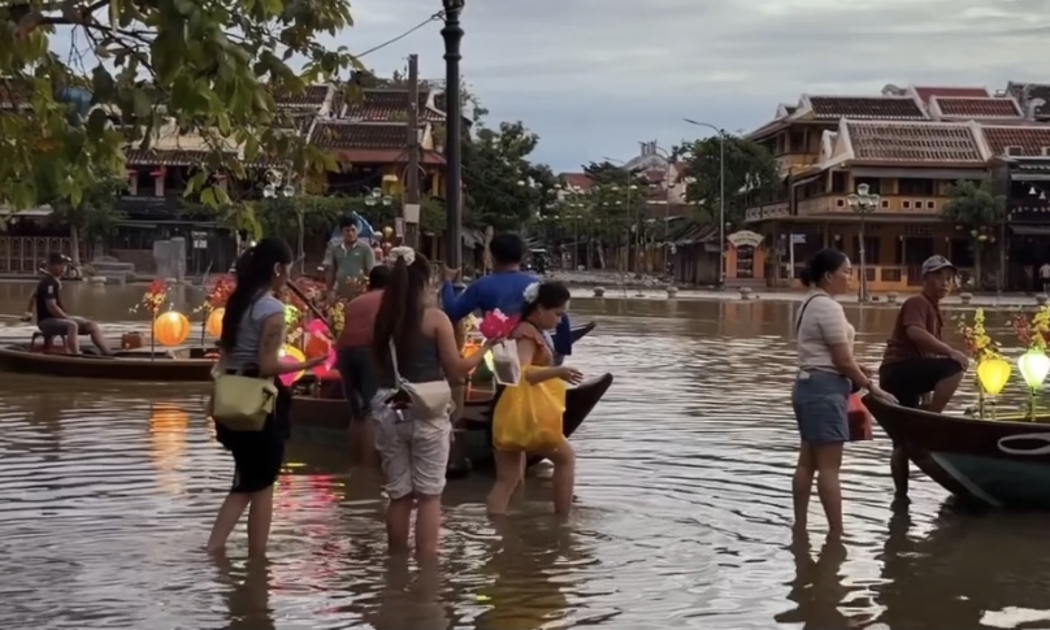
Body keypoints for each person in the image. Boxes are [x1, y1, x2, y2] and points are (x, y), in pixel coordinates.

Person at [370, 246, 496, 559]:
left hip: (389, 408)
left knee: (399, 495)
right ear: (424, 281)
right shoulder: (435, 319)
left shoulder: (384, 319)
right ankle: (427, 573)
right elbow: (456, 369)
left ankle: (395, 567)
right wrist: (485, 348)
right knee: (429, 497)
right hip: (427, 408)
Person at [206, 237, 327, 557]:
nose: (289, 275)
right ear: (277, 269)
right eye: (287, 269)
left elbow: (226, 357)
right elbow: (267, 364)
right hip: (257, 404)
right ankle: (233, 553)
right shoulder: (272, 308)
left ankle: (238, 554)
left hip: (230, 399)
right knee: (254, 485)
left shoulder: (238, 303)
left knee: (253, 481)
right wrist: (308, 363)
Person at [792, 248, 895, 538]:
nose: (850, 278)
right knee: (829, 468)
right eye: (846, 272)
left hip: (807, 386)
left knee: (807, 462)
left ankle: (800, 527)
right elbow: (840, 360)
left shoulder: (808, 304)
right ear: (828, 276)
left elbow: (824, 354)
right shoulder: (828, 307)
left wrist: (854, 368)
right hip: (824, 391)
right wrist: (871, 385)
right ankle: (836, 536)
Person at [487, 280, 582, 517]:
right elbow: (521, 372)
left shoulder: (520, 328)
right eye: (557, 313)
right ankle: (562, 522)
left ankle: (498, 532)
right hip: (523, 410)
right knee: (566, 459)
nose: (560, 320)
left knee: (508, 479)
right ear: (540, 309)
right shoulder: (528, 335)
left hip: (506, 407)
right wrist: (558, 371)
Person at [878, 255, 967, 503]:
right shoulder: (917, 302)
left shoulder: (934, 309)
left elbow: (925, 354)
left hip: (902, 374)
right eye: (938, 276)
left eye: (948, 278)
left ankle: (901, 496)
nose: (944, 283)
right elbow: (915, 333)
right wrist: (950, 351)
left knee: (902, 442)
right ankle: (931, 419)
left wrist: (927, 393)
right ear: (925, 278)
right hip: (899, 370)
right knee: (955, 366)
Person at [442, 233, 573, 361]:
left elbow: (452, 312)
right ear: (521, 257)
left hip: (500, 354)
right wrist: (560, 355)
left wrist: (447, 282)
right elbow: (562, 317)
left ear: (492, 257)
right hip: (535, 351)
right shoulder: (537, 285)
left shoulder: (481, 286)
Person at [336, 264, 390, 420]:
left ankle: (356, 443)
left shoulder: (355, 302)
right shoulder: (388, 300)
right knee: (372, 412)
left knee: (357, 414)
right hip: (368, 351)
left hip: (345, 353)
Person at [34, 252, 113, 355]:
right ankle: (75, 354)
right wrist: (66, 317)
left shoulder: (55, 282)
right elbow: (51, 307)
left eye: (64, 265)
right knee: (72, 325)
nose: (63, 268)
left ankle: (107, 352)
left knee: (91, 325)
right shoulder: (48, 283)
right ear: (50, 266)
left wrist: (66, 317)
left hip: (58, 319)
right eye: (59, 264)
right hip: (46, 321)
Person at [323, 216, 376, 301]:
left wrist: (370, 290)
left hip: (360, 291)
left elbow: (370, 271)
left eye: (353, 230)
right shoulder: (335, 248)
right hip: (341, 291)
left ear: (357, 231)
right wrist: (329, 291)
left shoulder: (365, 248)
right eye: (347, 230)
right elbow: (331, 271)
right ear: (342, 232)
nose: (350, 233)